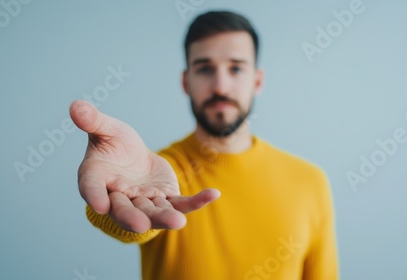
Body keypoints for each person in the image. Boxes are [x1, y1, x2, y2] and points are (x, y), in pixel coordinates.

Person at [69, 11, 339, 280]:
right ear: (186, 82)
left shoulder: (310, 182)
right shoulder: (154, 176)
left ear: (257, 80)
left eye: (236, 68)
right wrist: (109, 200)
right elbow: (128, 221)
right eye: (205, 68)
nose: (221, 86)